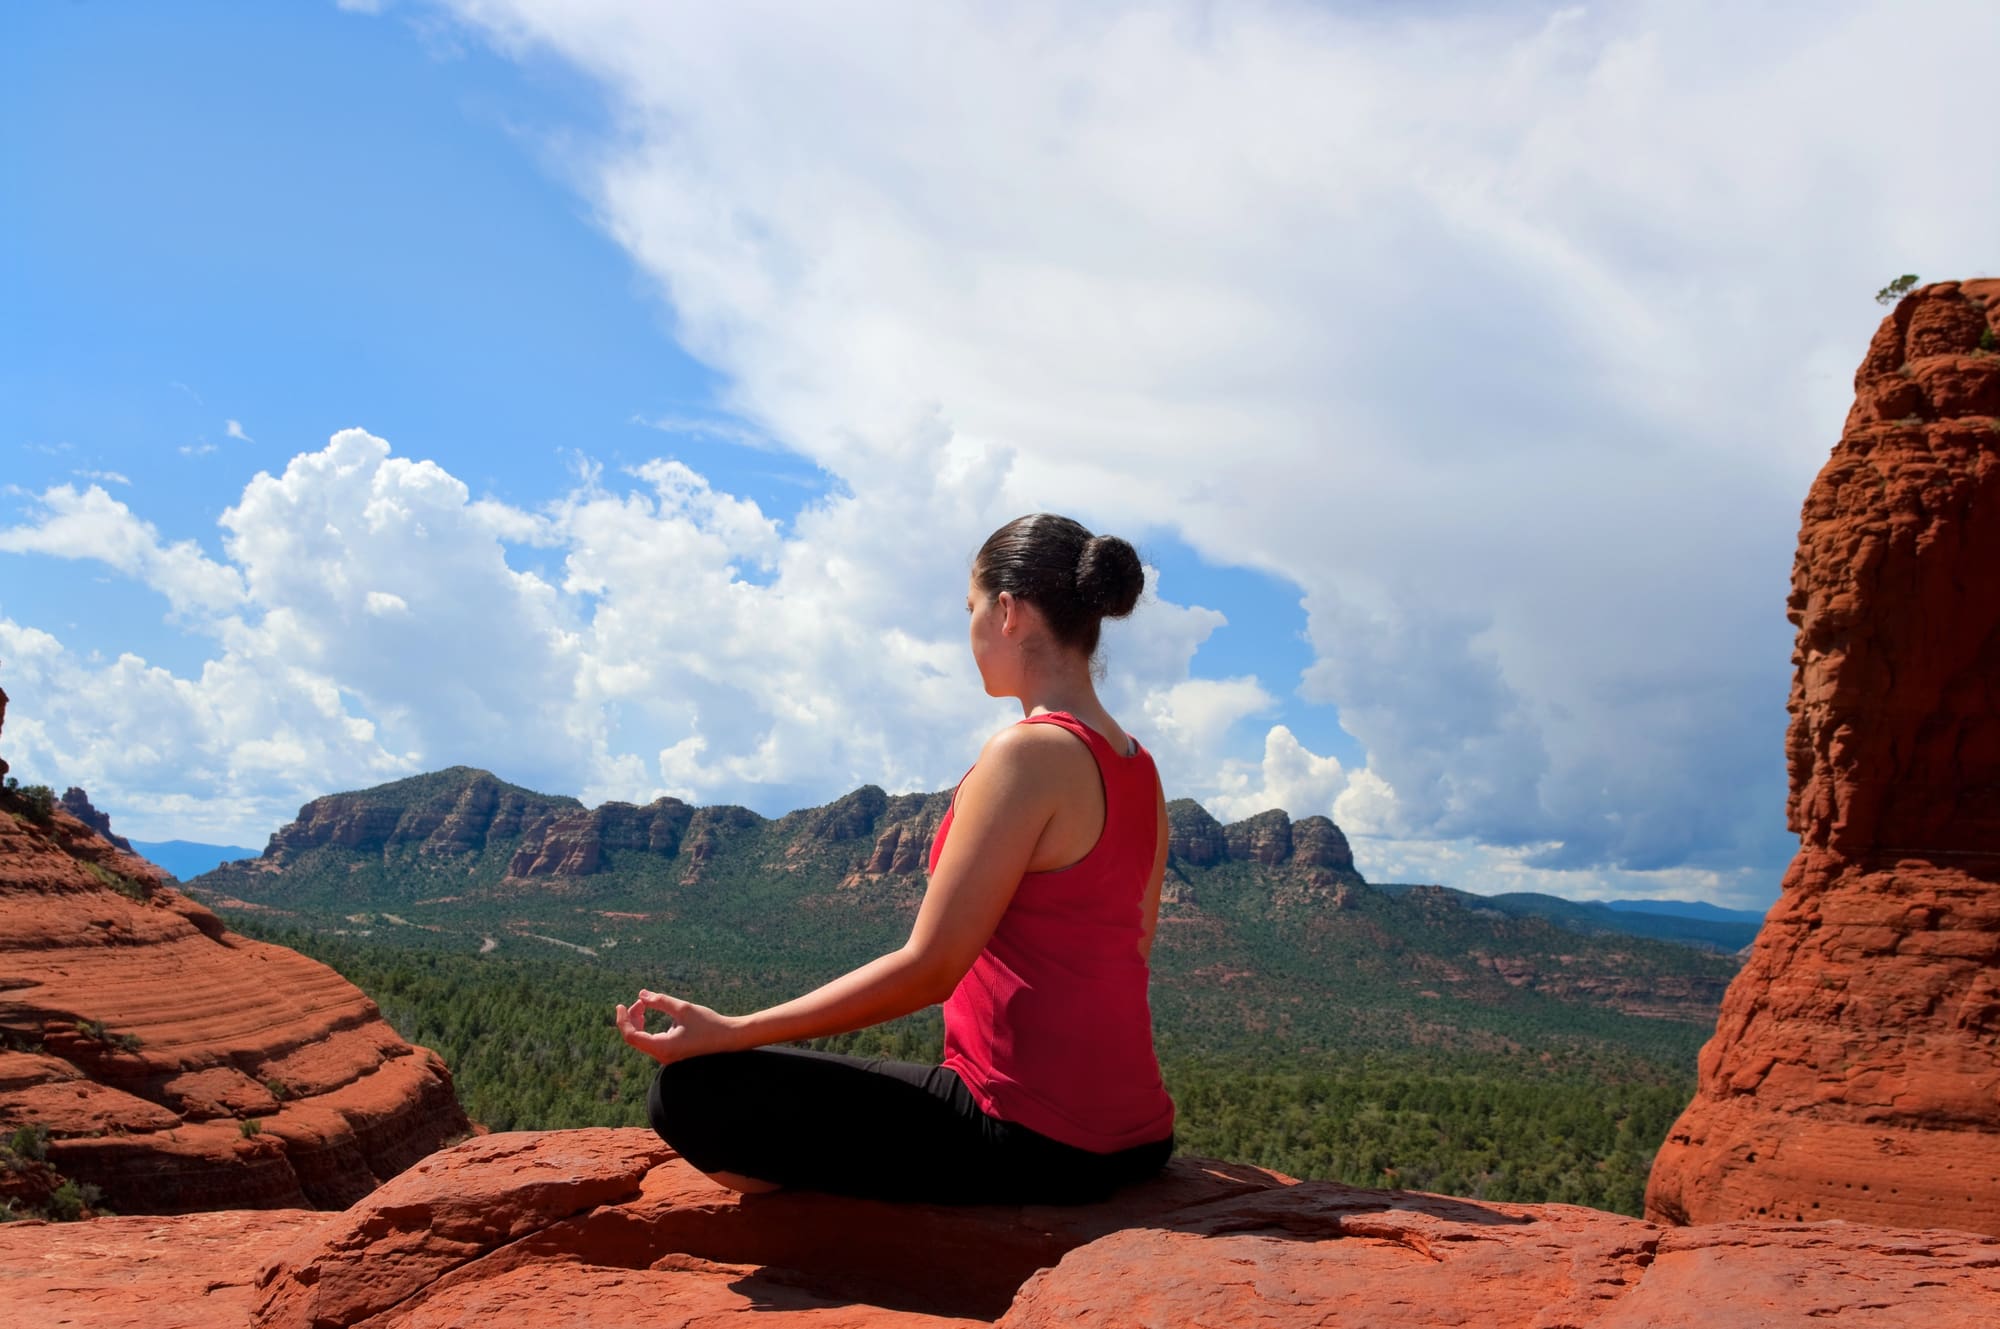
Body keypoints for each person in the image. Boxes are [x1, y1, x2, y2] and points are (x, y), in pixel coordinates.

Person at [613, 512, 1176, 1205]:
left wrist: (736, 1030)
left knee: (689, 1092)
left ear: (1007, 612)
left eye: (970, 608)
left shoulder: (1028, 753)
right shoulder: (1139, 768)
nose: (967, 630)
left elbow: (928, 969)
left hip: (1028, 1136)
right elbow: (1135, 947)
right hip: (1141, 1136)